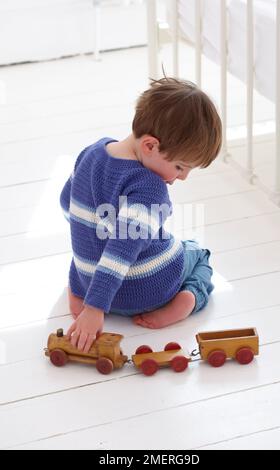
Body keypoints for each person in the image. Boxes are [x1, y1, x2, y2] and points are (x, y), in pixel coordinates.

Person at [60, 76, 222, 353]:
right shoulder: (149, 189)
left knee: (93, 249)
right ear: (150, 146)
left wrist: (91, 297)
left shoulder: (90, 154)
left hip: (89, 283)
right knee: (198, 253)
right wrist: (95, 309)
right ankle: (187, 300)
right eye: (181, 167)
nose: (181, 178)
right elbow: (121, 252)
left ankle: (77, 290)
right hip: (150, 290)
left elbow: (67, 204)